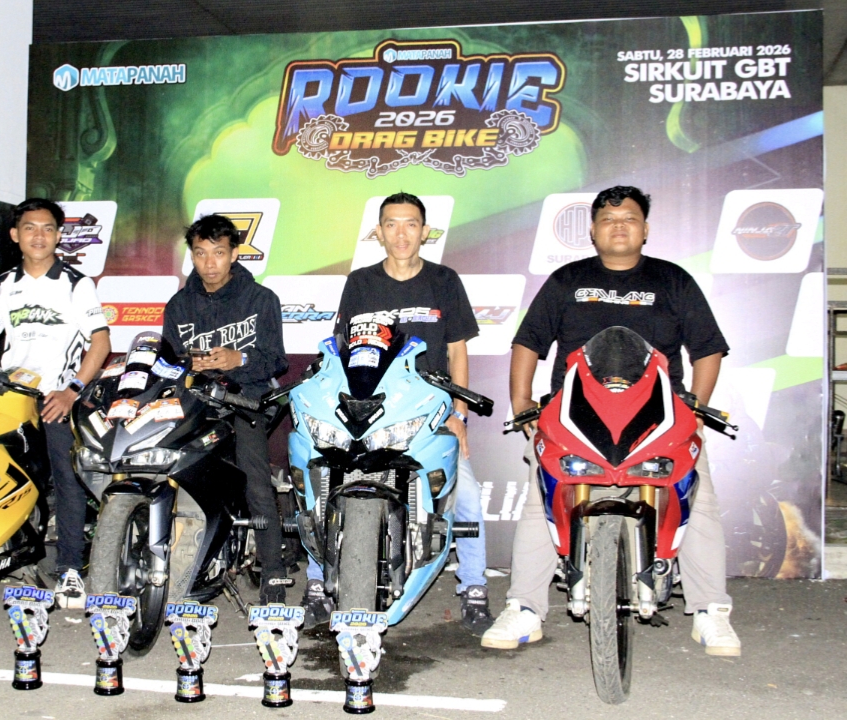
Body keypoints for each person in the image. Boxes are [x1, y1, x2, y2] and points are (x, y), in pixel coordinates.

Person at [481, 185, 740, 656]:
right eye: (608, 219)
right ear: (593, 230)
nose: (618, 226)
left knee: (697, 499)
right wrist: (521, 404)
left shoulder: (673, 280)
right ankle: (524, 607)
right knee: (541, 501)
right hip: (572, 417)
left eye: (629, 218)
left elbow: (708, 349)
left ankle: (711, 612)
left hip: (661, 418)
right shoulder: (567, 280)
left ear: (645, 229)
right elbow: (529, 342)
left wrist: (695, 409)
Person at [301, 192, 493, 635]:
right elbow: (342, 351)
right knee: (323, 482)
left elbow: (457, 350)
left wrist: (459, 413)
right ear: (379, 232)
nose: (401, 233)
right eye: (391, 224)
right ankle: (315, 584)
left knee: (464, 494)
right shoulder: (361, 282)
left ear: (425, 232)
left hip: (428, 410)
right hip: (367, 407)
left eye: (411, 224)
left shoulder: (444, 280)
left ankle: (474, 587)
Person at [0, 198, 111, 609]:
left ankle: (70, 570)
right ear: (15, 235)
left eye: (48, 228)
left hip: (56, 398)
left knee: (67, 481)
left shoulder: (75, 283)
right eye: (30, 228)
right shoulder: (3, 284)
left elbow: (101, 343)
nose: (39, 236)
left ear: (58, 235)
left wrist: (72, 390)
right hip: (10, 398)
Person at [161, 213, 290, 604]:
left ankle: (273, 573)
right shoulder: (179, 305)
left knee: (255, 481)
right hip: (195, 402)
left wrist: (239, 359)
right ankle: (162, 563)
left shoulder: (261, 299)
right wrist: (189, 366)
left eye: (218, 252)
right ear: (192, 256)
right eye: (201, 253)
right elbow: (166, 365)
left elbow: (276, 361)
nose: (209, 263)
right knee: (161, 465)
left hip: (244, 399)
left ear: (234, 254)